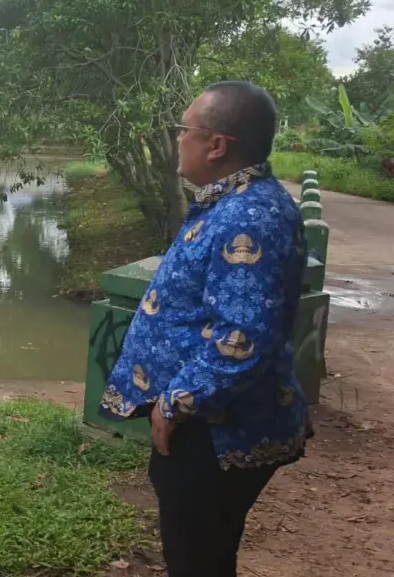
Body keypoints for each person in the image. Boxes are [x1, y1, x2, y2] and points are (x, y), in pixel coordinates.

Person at [99, 81, 312, 577]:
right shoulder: (233, 203)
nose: (178, 139)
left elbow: (243, 337)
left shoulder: (248, 217)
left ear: (216, 145)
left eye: (184, 130)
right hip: (211, 424)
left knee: (196, 557)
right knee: (205, 551)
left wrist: (176, 404)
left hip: (215, 430)